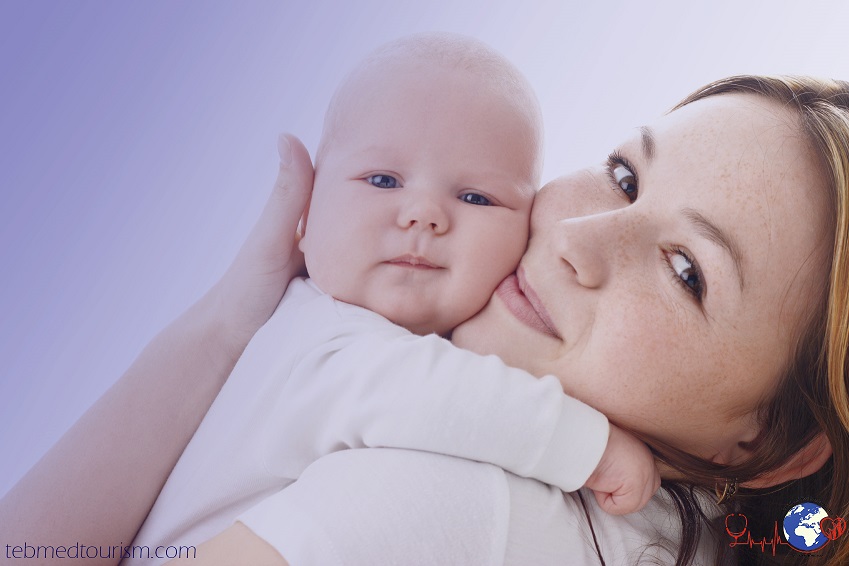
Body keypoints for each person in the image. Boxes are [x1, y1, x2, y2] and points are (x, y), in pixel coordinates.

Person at [2, 74, 848, 566]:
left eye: (685, 271)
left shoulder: (463, 505)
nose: (575, 242)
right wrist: (233, 319)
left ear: (766, 443)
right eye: (624, 176)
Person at [124, 33, 658, 561]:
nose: (423, 214)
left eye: (476, 197)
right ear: (305, 215)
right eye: (382, 180)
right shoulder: (314, 333)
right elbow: (425, 394)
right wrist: (590, 448)